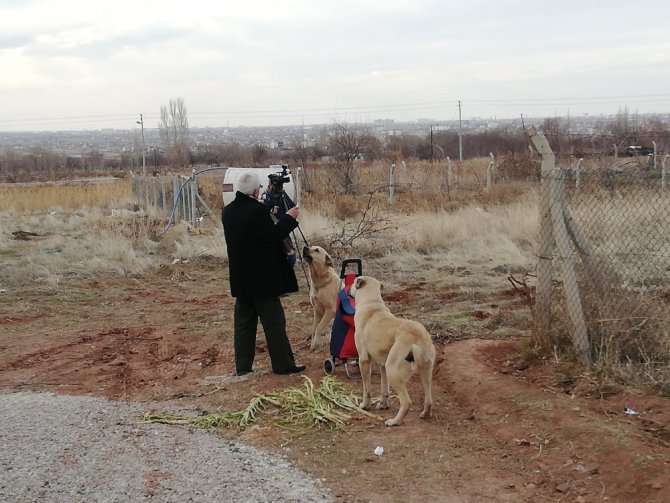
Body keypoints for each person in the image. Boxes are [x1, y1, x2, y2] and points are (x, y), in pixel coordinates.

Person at [222, 171, 306, 376]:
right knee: (274, 324)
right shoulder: (256, 212)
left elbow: (252, 233)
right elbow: (272, 236)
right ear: (255, 191)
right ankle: (283, 365)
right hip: (263, 280)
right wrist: (289, 219)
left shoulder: (228, 211)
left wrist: (266, 210)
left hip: (241, 279)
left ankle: (243, 367)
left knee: (243, 325)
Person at [261, 180, 297, 268]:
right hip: (273, 231)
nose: (277, 188)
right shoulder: (265, 197)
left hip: (283, 229)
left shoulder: (282, 195)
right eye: (275, 186)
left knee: (291, 258)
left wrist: (290, 214)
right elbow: (262, 214)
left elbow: (291, 206)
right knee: (287, 258)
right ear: (269, 186)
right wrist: (271, 211)